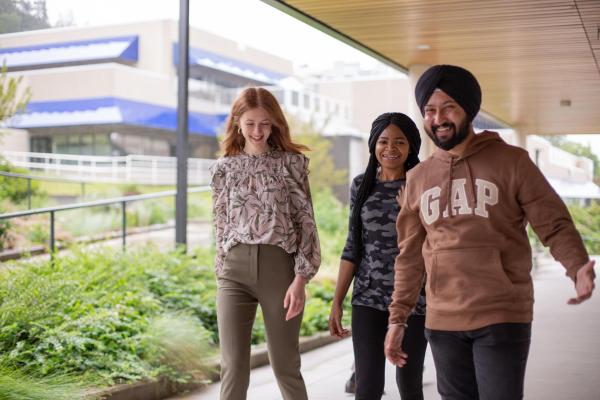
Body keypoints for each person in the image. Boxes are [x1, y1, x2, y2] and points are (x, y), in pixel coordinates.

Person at [384, 65, 596, 400]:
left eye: (448, 107)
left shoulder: (512, 162)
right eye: (429, 110)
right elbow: (409, 256)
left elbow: (552, 222)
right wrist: (398, 319)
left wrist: (576, 266)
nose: (438, 119)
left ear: (470, 109)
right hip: (442, 321)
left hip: (501, 313)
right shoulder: (419, 178)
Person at [210, 87, 321, 400]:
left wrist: (301, 279)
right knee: (232, 366)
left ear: (275, 125)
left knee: (285, 364)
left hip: (280, 272)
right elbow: (220, 224)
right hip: (233, 272)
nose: (258, 131)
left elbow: (306, 223)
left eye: (265, 123)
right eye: (250, 123)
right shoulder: (223, 169)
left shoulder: (291, 164)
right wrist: (221, 270)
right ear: (237, 124)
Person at [329, 112, 428, 400]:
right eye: (383, 141)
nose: (391, 148)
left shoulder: (421, 185)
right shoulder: (362, 185)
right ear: (373, 145)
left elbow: (434, 243)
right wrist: (337, 301)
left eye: (400, 142)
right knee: (367, 387)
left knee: (409, 385)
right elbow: (353, 245)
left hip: (413, 301)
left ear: (411, 147)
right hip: (367, 299)